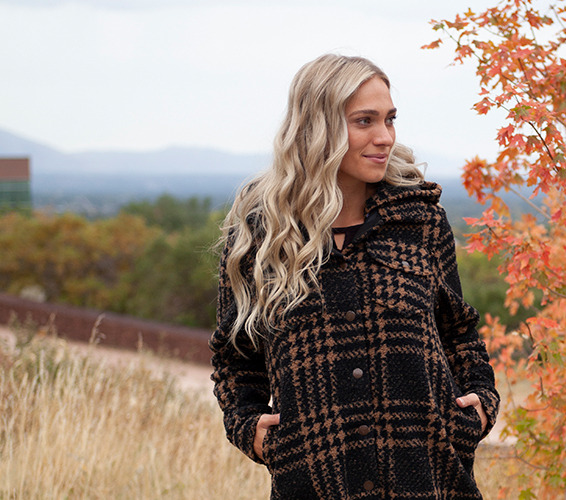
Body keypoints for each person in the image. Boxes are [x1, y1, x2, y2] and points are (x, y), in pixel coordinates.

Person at [209, 54, 500, 499]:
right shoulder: (260, 236)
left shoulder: (419, 221)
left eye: (390, 119)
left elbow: (458, 331)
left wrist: (478, 408)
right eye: (364, 121)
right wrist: (248, 427)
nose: (384, 137)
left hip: (429, 482)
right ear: (317, 127)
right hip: (315, 486)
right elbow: (235, 358)